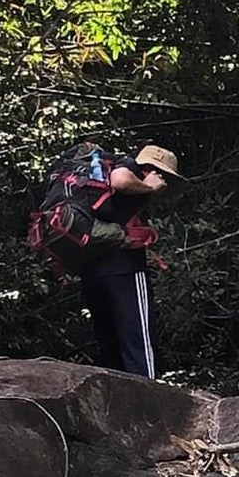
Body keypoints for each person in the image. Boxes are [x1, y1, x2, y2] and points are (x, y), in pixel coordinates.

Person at [78, 143, 180, 378]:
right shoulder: (129, 168)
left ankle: (118, 407)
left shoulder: (101, 188)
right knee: (139, 344)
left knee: (110, 347)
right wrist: (148, 187)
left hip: (92, 271)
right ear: (157, 171)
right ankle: (149, 403)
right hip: (125, 271)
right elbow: (120, 180)